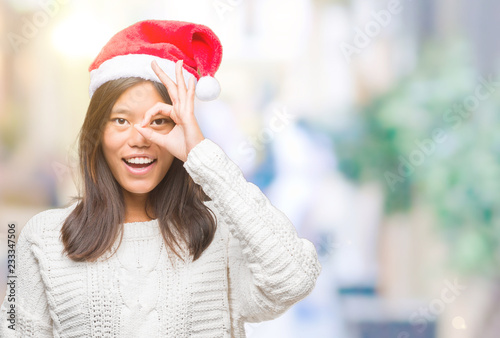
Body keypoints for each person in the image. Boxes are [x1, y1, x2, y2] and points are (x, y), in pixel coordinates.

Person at [0, 20, 321, 337]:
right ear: (97, 134)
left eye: (159, 121)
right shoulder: (42, 238)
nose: (140, 138)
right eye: (121, 120)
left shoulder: (221, 235)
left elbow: (294, 279)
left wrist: (202, 154)